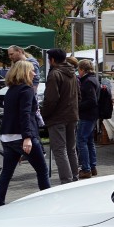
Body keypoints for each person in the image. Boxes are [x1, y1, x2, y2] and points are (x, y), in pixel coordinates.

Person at [0, 60, 51, 206]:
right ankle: (48, 203)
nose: (34, 74)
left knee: (6, 173)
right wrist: (27, 137)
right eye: (32, 70)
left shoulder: (11, 90)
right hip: (22, 136)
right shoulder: (27, 90)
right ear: (25, 72)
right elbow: (25, 114)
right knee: (42, 170)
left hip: (7, 137)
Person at [42, 48, 80, 184]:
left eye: (49, 60)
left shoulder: (55, 74)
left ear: (52, 60)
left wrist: (44, 114)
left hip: (58, 118)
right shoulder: (72, 73)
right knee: (70, 149)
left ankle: (67, 182)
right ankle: (74, 178)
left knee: (60, 150)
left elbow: (51, 99)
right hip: (71, 116)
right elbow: (78, 95)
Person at [76, 59, 99, 179]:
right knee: (89, 141)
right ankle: (92, 167)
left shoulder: (88, 81)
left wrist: (77, 106)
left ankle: (86, 169)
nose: (78, 72)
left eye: (78, 70)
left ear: (82, 70)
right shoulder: (93, 79)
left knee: (81, 141)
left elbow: (91, 100)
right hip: (92, 115)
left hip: (87, 115)